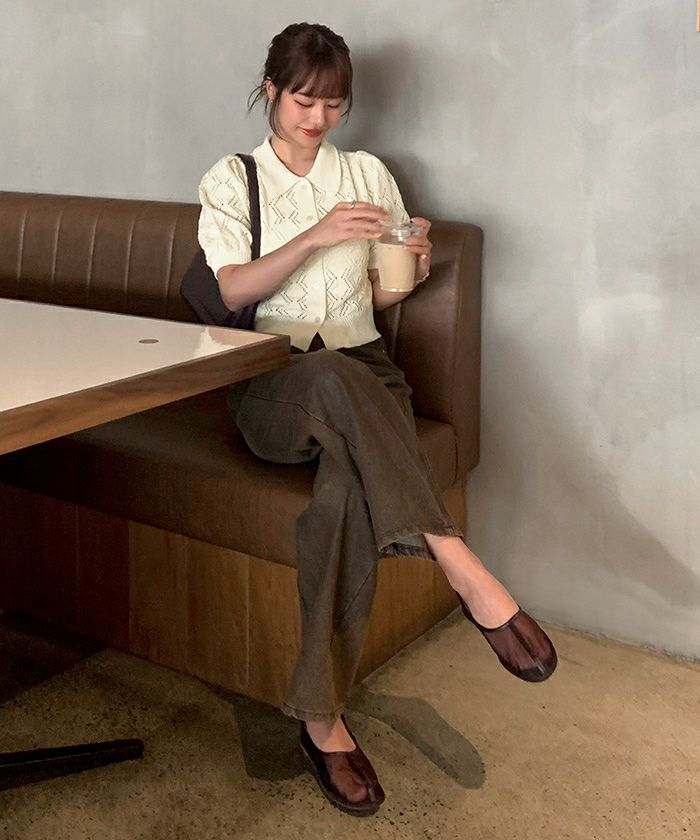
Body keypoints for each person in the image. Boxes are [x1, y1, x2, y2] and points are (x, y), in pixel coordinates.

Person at [197, 22, 557, 817]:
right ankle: (459, 562)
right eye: (303, 100)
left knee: (343, 496)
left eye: (333, 104)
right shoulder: (232, 179)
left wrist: (410, 265)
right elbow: (230, 291)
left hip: (367, 374)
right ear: (270, 90)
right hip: (271, 379)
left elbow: (380, 296)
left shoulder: (367, 174)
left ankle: (321, 721)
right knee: (327, 372)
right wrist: (317, 234)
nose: (317, 118)